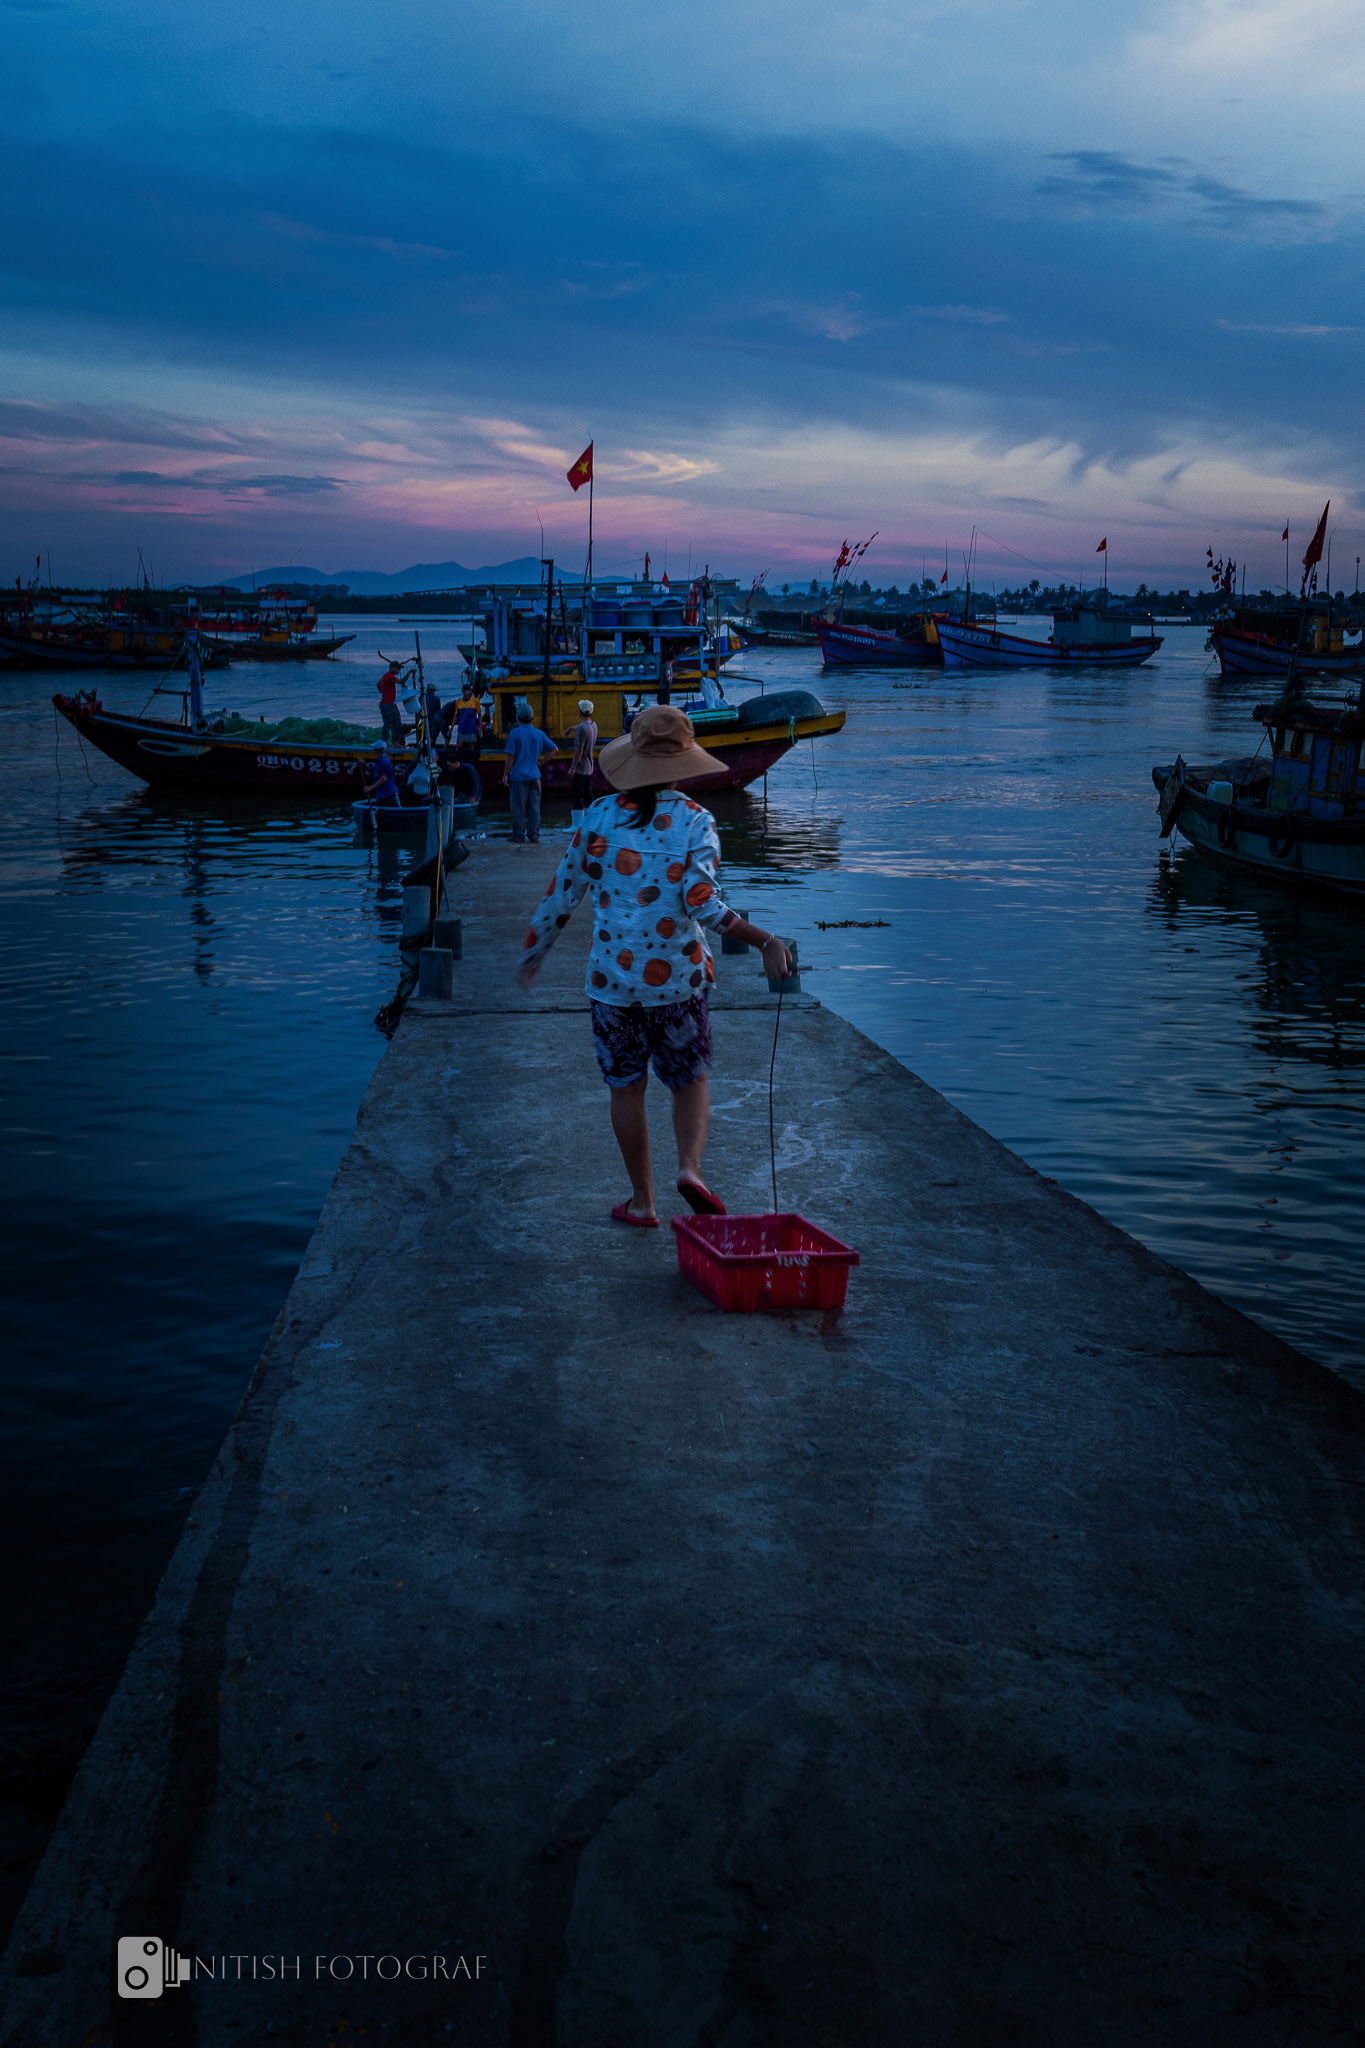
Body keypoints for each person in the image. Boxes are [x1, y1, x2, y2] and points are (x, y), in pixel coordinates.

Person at [517, 704, 792, 1225]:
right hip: (678, 987)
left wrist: (534, 954)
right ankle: (690, 1168)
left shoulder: (597, 816)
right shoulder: (696, 821)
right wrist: (765, 941)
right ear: (685, 761)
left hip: (612, 988)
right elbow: (703, 902)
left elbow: (562, 895)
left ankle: (643, 1202)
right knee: (689, 1080)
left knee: (627, 1088)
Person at [502, 703, 557, 844]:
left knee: (519, 807)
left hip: (518, 776)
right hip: (535, 775)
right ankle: (534, 835)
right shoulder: (539, 734)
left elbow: (510, 757)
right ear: (532, 718)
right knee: (534, 807)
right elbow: (554, 749)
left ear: (518, 718)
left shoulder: (514, 733)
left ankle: (518, 835)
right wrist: (541, 763)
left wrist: (505, 775)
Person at [563, 697, 597, 828]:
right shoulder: (593, 726)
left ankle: (577, 825)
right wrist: (571, 728)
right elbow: (583, 727)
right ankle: (591, 823)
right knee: (588, 795)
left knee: (578, 795)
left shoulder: (582, 729)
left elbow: (579, 750)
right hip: (590, 766)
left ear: (580, 712)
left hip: (580, 768)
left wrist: (572, 768)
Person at [361, 741, 401, 808]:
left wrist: (370, 787)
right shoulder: (379, 761)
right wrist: (364, 764)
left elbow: (384, 778)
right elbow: (372, 771)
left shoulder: (384, 761)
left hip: (390, 795)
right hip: (381, 795)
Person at [376, 661, 405, 745]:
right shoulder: (389, 676)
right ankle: (384, 742)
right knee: (388, 724)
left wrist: (384, 691)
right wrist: (410, 673)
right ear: (392, 668)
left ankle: (395, 743)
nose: (399, 670)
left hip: (392, 703)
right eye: (398, 668)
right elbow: (402, 681)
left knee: (397, 722)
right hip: (387, 704)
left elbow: (378, 684)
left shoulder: (387, 676)